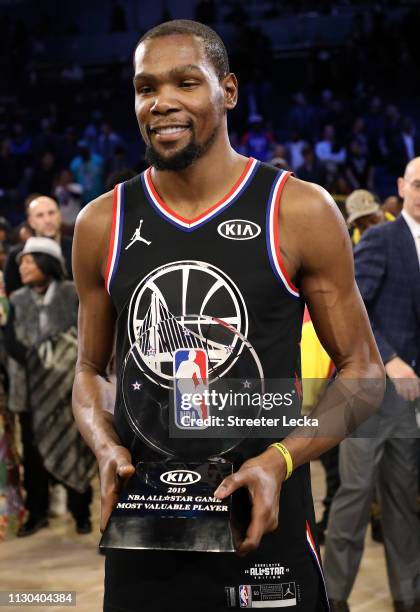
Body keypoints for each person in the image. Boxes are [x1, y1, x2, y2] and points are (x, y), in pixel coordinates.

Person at [71, 20, 384, 612]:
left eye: (186, 82)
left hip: (266, 525)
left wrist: (280, 459)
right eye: (145, 88)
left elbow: (364, 372)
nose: (162, 102)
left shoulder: (298, 209)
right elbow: (89, 369)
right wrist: (105, 448)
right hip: (145, 532)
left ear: (229, 91)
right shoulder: (99, 223)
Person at [324, 158, 420, 612]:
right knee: (355, 496)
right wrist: (394, 359)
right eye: (417, 184)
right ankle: (334, 596)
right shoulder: (381, 238)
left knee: (403, 500)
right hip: (369, 393)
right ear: (402, 186)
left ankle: (407, 594)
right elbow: (352, 305)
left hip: (409, 402)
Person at [4, 237, 94, 536]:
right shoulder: (16, 299)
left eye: (29, 261)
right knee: (33, 453)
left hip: (67, 389)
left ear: (46, 262)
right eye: (21, 263)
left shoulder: (72, 294)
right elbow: (10, 342)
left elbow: (84, 336)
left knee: (75, 448)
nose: (23, 267)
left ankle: (80, 512)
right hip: (29, 388)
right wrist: (39, 361)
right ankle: (38, 513)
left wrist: (58, 360)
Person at [4, 195, 73, 295]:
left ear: (60, 215)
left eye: (51, 213)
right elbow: (12, 295)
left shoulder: (76, 249)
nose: (48, 220)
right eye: (40, 215)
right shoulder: (16, 255)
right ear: (31, 222)